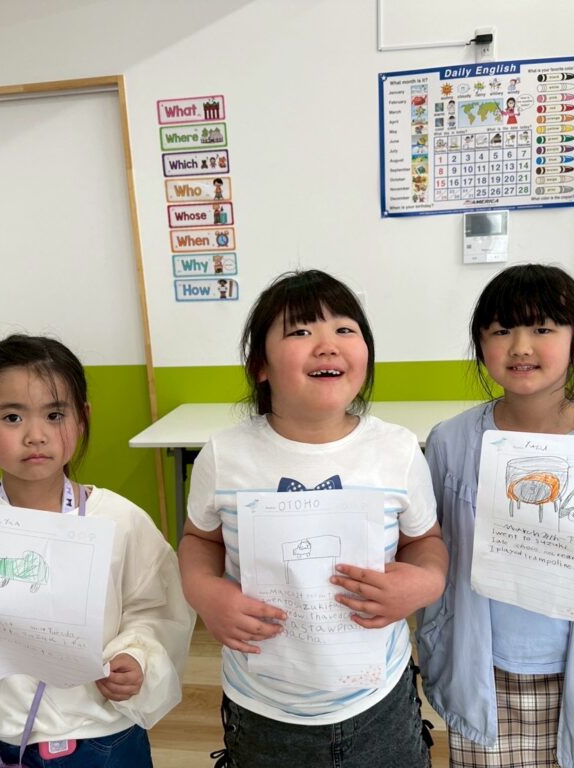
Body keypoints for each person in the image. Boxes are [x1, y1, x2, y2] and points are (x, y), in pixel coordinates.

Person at [0, 334, 194, 768]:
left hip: (102, 736)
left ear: (82, 420)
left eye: (54, 415)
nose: (35, 436)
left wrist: (137, 657)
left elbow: (157, 610)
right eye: (12, 417)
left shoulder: (120, 521)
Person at [179, 269, 448, 767]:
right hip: (262, 703)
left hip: (378, 698)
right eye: (301, 331)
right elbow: (200, 539)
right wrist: (204, 592)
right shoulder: (225, 454)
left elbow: (424, 540)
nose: (327, 345)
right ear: (260, 366)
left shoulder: (397, 450)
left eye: (345, 329)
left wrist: (425, 582)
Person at [416, 264, 574, 768]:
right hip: (481, 666)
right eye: (501, 331)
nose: (520, 346)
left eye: (542, 328)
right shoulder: (450, 443)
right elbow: (428, 543)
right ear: (480, 345)